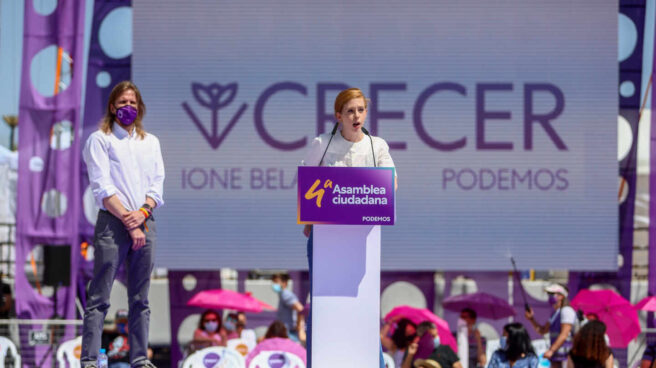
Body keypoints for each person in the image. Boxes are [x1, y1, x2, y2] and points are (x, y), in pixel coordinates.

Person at [303, 87, 398, 368]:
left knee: (364, 306)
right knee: (322, 305)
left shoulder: (376, 145)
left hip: (363, 240)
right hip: (324, 240)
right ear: (338, 115)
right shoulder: (322, 143)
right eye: (350, 111)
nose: (356, 116)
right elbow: (306, 182)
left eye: (360, 110)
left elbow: (392, 183)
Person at [80, 81, 164, 368]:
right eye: (122, 102)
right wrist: (131, 223)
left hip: (145, 221)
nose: (128, 107)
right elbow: (102, 187)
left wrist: (142, 214)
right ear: (112, 107)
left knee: (140, 298)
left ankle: (140, 358)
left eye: (132, 102)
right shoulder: (99, 140)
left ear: (139, 107)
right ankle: (89, 359)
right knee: (100, 295)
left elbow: (157, 185)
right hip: (113, 225)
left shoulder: (150, 142)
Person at [525, 284, 577, 368]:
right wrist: (531, 319)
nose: (550, 296)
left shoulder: (566, 311)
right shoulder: (555, 313)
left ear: (561, 296)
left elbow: (564, 334)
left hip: (566, 356)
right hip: (557, 357)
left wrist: (551, 350)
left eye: (552, 294)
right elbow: (542, 330)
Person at [271, 273, 304, 342]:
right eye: (273, 282)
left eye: (276, 282)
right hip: (286, 332)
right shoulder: (282, 295)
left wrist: (300, 328)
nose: (274, 284)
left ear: (284, 283)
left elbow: (300, 309)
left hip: (289, 333)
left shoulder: (285, 294)